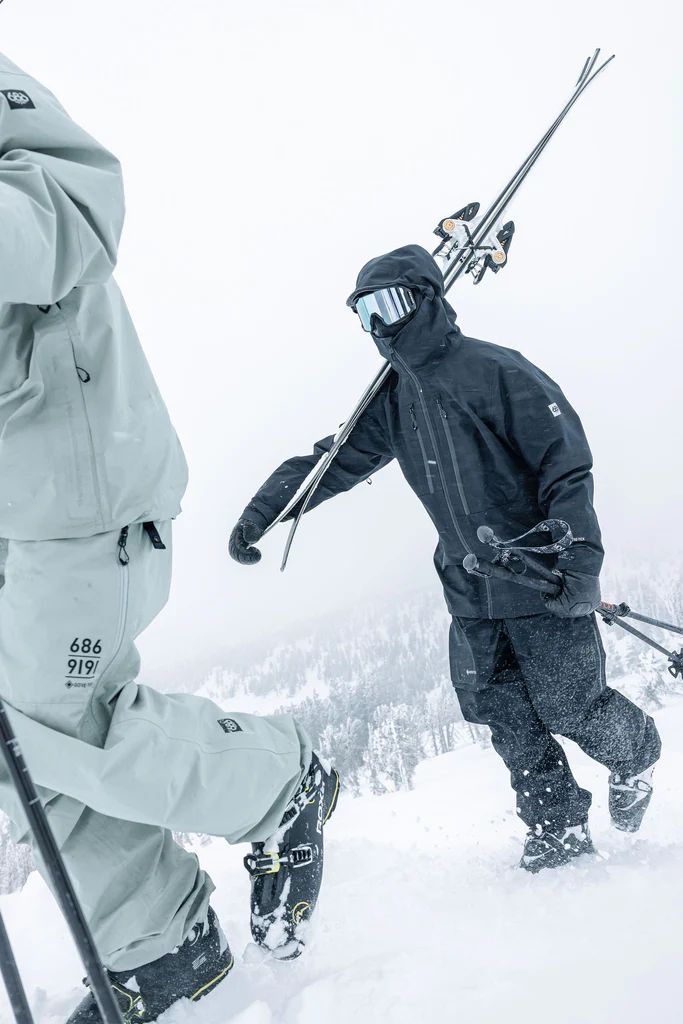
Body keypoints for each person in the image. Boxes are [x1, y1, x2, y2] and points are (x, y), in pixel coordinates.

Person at [0, 53, 339, 1024]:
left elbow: (75, 202)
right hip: (12, 505)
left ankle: (278, 778)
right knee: (14, 742)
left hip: (72, 482)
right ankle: (158, 941)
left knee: (59, 717)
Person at [230, 243, 661, 873]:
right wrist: (263, 513)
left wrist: (579, 560)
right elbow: (335, 461)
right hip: (469, 590)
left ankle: (636, 755)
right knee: (508, 717)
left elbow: (565, 465)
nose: (378, 325)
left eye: (389, 304)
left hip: (541, 575)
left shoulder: (495, 370)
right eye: (363, 312)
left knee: (571, 705)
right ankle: (557, 833)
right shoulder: (391, 401)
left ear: (426, 297)